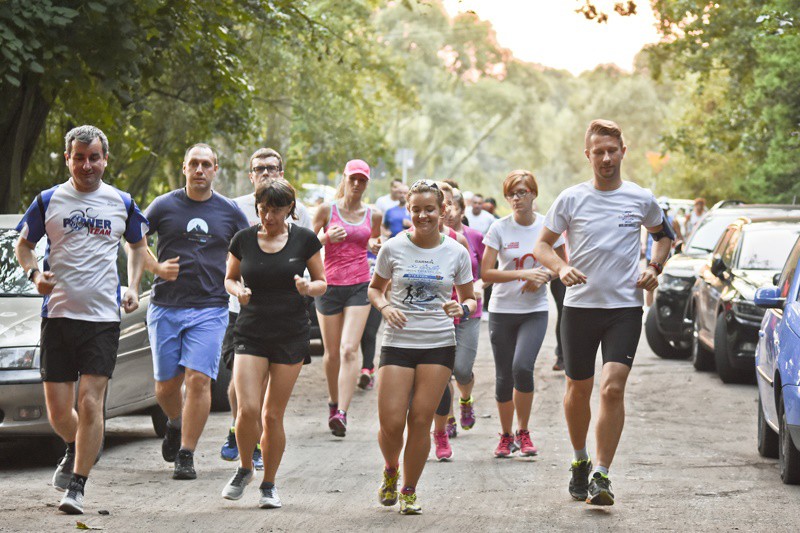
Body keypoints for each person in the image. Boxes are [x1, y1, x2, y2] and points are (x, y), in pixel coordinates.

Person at [534, 119, 673, 506]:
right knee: (578, 389)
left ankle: (602, 474)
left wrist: (653, 267)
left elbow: (664, 236)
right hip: (579, 307)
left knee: (612, 387)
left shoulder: (640, 198)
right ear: (588, 155)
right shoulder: (570, 199)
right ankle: (580, 459)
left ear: (623, 152)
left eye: (613, 150)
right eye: (599, 151)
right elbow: (542, 246)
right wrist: (561, 268)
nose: (606, 158)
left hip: (624, 308)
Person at [14, 125, 149, 514]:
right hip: (57, 315)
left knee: (91, 403)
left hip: (102, 318)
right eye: (79, 157)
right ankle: (79, 444)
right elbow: (23, 244)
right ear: (67, 158)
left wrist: (134, 286)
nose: (87, 165)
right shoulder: (48, 200)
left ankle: (78, 484)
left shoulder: (121, 201)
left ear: (105, 159)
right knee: (58, 413)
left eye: (94, 157)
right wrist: (35, 275)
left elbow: (138, 246)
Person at [143, 143, 249, 480]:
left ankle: (186, 453)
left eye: (206, 164)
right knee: (165, 387)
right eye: (194, 164)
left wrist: (247, 286)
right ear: (184, 168)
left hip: (210, 307)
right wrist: (156, 267)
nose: (200, 170)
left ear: (216, 168)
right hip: (166, 306)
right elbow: (133, 239)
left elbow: (248, 250)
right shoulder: (164, 205)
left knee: (199, 380)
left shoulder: (230, 212)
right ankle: (174, 423)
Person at [369, 179, 476, 514]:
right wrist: (386, 307)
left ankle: (410, 490)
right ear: (408, 211)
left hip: (438, 343)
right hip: (398, 341)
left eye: (429, 209)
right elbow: (375, 289)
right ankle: (391, 468)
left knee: (420, 420)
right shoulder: (393, 248)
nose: (423, 215)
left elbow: (470, 296)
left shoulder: (456, 252)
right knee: (390, 422)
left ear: (442, 210)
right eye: (416, 209)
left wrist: (464, 308)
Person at [220, 179, 326, 509]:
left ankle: (269, 484)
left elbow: (322, 281)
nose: (269, 216)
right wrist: (238, 292)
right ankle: (245, 469)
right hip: (250, 330)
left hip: (291, 332)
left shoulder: (305, 240)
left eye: (276, 210)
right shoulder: (244, 239)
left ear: (289, 209)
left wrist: (309, 289)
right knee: (248, 408)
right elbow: (230, 277)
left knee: (271, 415)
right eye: (264, 209)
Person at [481, 170, 565, 458]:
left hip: (534, 311)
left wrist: (543, 276)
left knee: (522, 367)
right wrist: (522, 272)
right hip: (502, 310)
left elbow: (562, 265)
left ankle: (524, 431)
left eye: (522, 192)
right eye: (511, 194)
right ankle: (505, 436)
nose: (517, 198)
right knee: (504, 376)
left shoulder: (547, 227)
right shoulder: (499, 229)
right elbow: (486, 273)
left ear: (533, 194)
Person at [312, 159, 382, 437]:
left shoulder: (372, 214)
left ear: (367, 183)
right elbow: (307, 242)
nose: (356, 184)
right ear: (344, 179)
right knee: (331, 354)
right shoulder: (327, 210)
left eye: (362, 180)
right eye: (352, 178)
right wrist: (327, 238)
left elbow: (373, 241)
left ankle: (342, 412)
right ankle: (333, 402)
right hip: (329, 285)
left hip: (359, 284)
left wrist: (376, 244)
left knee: (349, 349)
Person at [443, 188, 485, 437]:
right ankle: (448, 418)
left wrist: (480, 285)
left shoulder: (475, 237)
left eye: (452, 206)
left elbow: (487, 271)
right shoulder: (432, 237)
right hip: (441, 311)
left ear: (461, 210)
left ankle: (466, 399)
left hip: (469, 310)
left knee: (461, 369)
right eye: (444, 205)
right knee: (443, 370)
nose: (447, 211)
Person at [644, 198, 683, 306]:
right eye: (662, 210)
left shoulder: (673, 221)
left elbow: (679, 237)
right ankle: (650, 308)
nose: (663, 213)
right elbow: (645, 235)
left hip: (665, 256)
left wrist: (676, 243)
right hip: (650, 254)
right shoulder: (650, 218)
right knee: (649, 282)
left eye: (665, 210)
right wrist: (643, 246)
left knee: (663, 282)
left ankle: (660, 307)